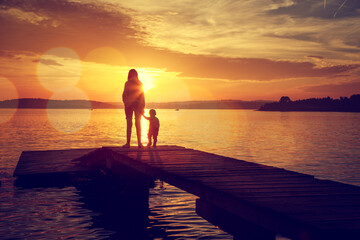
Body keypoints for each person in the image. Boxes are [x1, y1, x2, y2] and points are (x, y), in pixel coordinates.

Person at [122, 69, 145, 148]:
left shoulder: (139, 84)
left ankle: (139, 143)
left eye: (133, 74)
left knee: (137, 124)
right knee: (130, 124)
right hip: (129, 106)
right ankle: (128, 143)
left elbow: (142, 95)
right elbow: (124, 95)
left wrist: (142, 107)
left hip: (137, 106)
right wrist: (126, 103)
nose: (133, 76)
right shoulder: (127, 83)